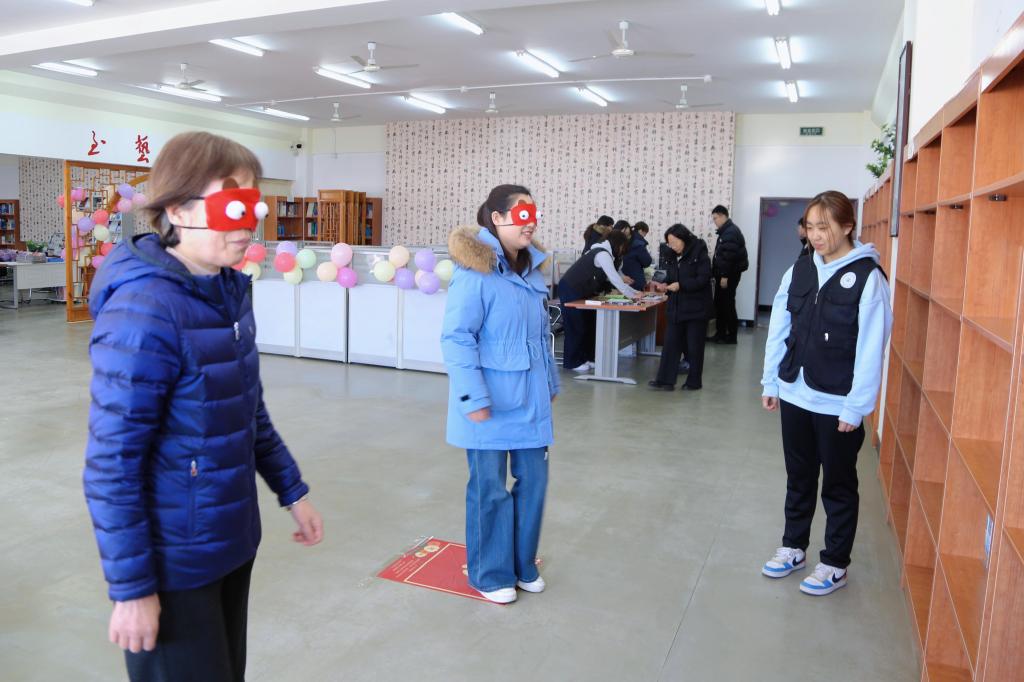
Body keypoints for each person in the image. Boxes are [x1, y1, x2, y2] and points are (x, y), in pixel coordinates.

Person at [83, 131, 323, 681]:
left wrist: (292, 490)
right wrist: (132, 589)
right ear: (177, 210)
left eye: (253, 207)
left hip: (229, 539)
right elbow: (112, 463)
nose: (247, 225)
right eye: (230, 206)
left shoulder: (229, 292)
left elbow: (247, 411)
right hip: (175, 561)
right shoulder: (144, 310)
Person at [760, 190, 892, 596]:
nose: (816, 236)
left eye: (825, 227)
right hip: (795, 392)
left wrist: (857, 407)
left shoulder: (868, 276)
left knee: (838, 484)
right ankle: (793, 546)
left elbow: (871, 347)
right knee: (798, 476)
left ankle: (834, 563)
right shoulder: (799, 269)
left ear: (848, 226)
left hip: (838, 402)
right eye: (811, 227)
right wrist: (771, 381)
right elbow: (779, 328)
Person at [442, 184, 559, 604]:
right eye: (522, 214)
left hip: (530, 400)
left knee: (535, 482)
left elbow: (540, 336)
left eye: (534, 214)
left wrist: (551, 383)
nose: (531, 224)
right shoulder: (475, 273)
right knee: (489, 489)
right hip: (489, 405)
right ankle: (490, 574)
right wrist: (472, 399)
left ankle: (522, 565)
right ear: (497, 218)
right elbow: (457, 338)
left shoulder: (532, 271)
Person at [557, 230, 640, 372]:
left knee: (589, 325)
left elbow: (617, 277)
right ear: (617, 244)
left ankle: (587, 358)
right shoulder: (602, 254)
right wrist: (633, 295)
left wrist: (636, 293)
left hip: (582, 291)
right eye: (622, 246)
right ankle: (573, 362)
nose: (622, 250)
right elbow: (615, 279)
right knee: (576, 326)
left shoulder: (607, 254)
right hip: (571, 289)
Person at [649, 224, 712, 391]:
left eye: (674, 242)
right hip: (676, 307)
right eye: (669, 243)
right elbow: (671, 277)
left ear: (683, 238)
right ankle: (665, 380)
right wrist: (665, 285)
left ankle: (694, 382)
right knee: (670, 344)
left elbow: (703, 278)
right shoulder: (670, 255)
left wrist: (681, 285)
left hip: (696, 308)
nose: (672, 246)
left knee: (694, 347)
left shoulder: (699, 251)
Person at [708, 204, 748, 345]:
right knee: (722, 304)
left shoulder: (730, 232)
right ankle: (721, 334)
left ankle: (730, 336)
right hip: (726, 274)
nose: (714, 221)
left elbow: (729, 256)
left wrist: (724, 276)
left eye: (715, 218)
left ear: (723, 216)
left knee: (726, 305)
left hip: (728, 275)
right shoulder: (727, 231)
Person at [621, 221, 653, 290]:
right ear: (641, 230)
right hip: (634, 279)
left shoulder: (626, 238)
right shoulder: (638, 243)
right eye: (645, 234)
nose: (644, 236)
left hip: (622, 276)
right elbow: (647, 261)